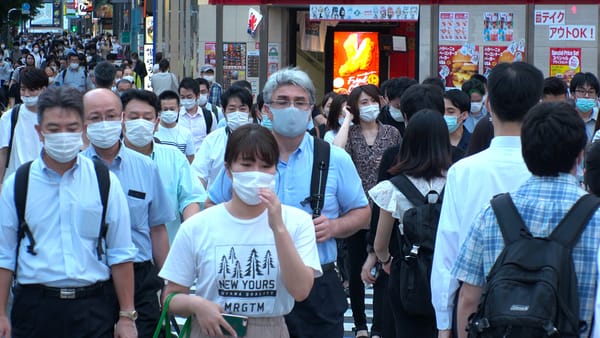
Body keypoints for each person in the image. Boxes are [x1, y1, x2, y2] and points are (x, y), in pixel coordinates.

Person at [206, 67, 371, 337]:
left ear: (310, 110)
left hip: (318, 283)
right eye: (282, 102)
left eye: (300, 102)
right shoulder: (246, 158)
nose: (291, 109)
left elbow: (362, 212)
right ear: (267, 110)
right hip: (254, 283)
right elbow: (212, 206)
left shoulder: (334, 158)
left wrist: (334, 227)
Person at [0, 86, 138, 338]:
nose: (63, 135)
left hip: (93, 308)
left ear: (83, 130)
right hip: (34, 308)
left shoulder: (104, 181)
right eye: (53, 129)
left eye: (72, 128)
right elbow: (4, 254)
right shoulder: (19, 184)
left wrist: (127, 315)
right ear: (39, 132)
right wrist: (0, 313)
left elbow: (121, 252)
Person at [453, 102, 600, 338]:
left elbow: (468, 298)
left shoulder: (492, 213)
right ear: (580, 156)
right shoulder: (595, 217)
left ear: (525, 152)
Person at [160, 124, 321, 337]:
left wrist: (278, 228)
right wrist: (196, 304)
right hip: (213, 328)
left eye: (265, 166)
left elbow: (300, 290)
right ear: (228, 170)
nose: (256, 174)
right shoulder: (197, 225)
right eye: (246, 164)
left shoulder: (297, 222)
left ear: (275, 169)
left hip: (269, 328)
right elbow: (170, 297)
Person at [431, 62, 543, 338]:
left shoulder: (463, 172)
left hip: (476, 310)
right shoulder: (547, 170)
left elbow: (447, 252)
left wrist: (444, 324)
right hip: (543, 307)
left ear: (489, 104)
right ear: (537, 105)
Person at [82, 88, 176, 337]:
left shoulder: (145, 167)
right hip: (91, 277)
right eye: (94, 118)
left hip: (140, 277)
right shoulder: (75, 170)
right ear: (83, 123)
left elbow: (157, 228)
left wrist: (168, 283)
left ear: (121, 118)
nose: (104, 124)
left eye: (111, 116)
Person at [370, 109, 451, 338]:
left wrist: (386, 260)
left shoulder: (394, 187)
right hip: (448, 272)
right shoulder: (458, 179)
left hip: (409, 274)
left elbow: (380, 244)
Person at [334, 84, 401, 338]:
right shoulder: (350, 134)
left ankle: (378, 326)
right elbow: (336, 152)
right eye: (362, 102)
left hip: (386, 210)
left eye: (372, 101)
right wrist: (348, 118)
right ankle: (360, 324)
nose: (369, 106)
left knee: (384, 265)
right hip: (357, 210)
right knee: (355, 267)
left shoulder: (392, 133)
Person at [121, 88, 203, 242]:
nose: (140, 123)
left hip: (171, 250)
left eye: (147, 118)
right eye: (134, 117)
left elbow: (191, 198)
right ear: (123, 120)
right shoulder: (110, 162)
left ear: (157, 122)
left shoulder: (174, 158)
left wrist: (192, 233)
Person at [193, 85, 254, 189]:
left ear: (249, 111)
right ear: (223, 111)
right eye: (232, 109)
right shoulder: (212, 140)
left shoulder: (260, 139)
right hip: (215, 202)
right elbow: (198, 174)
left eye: (242, 108)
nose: (237, 113)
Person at [0, 68, 48, 183]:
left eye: (32, 90)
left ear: (44, 89)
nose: (26, 94)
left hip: (44, 181)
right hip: (15, 182)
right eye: (23, 89)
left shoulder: (54, 117)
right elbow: (3, 152)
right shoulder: (10, 117)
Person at [178, 77, 218, 152]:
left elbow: (214, 140)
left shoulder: (209, 116)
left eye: (189, 97)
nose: (186, 100)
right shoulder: (176, 116)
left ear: (198, 96)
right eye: (182, 97)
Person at [155, 90, 195, 162]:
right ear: (159, 110)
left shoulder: (186, 133)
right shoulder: (153, 131)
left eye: (172, 109)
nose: (169, 112)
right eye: (165, 109)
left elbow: (190, 158)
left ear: (179, 109)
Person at [570, 72, 599, 143]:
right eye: (582, 91)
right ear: (573, 94)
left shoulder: (599, 118)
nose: (586, 95)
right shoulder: (565, 118)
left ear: (596, 96)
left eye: (591, 92)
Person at [443, 89, 471, 154]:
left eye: (450, 112)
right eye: (441, 111)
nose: (444, 116)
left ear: (464, 115)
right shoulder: (433, 142)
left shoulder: (474, 143)